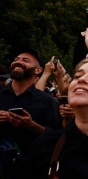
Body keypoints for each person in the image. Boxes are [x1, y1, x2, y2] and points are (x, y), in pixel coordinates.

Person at [0, 48, 60, 178]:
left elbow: (55, 135)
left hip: (31, 168)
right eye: (16, 60)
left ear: (38, 70)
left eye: (25, 60)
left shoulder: (46, 100)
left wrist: (31, 125)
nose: (18, 62)